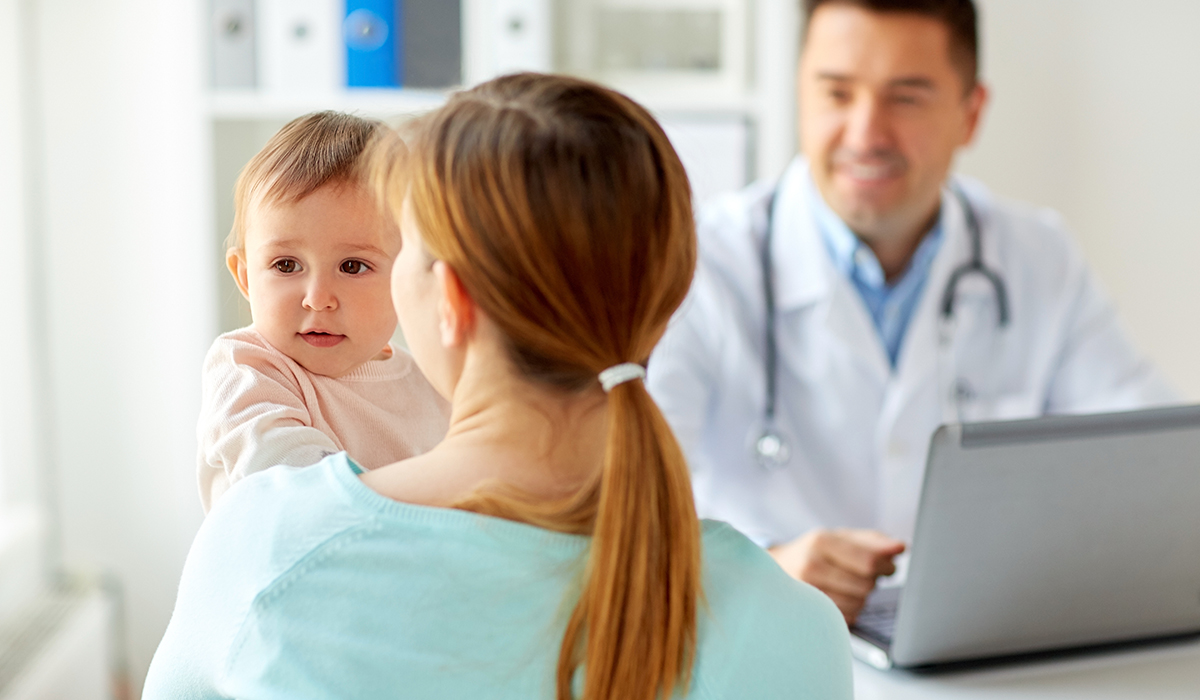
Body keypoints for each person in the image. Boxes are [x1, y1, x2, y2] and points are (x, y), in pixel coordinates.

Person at [144, 74, 853, 699]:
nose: (321, 295)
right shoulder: (795, 628)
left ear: (448, 299)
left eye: (380, 261)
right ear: (660, 311)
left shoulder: (266, 554)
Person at [647, 0, 1177, 623]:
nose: (866, 134)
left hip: (982, 646)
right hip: (773, 651)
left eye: (906, 98)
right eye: (837, 94)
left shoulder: (1037, 257)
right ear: (801, 96)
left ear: (971, 113)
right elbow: (627, 511)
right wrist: (763, 569)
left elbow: (1156, 466)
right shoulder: (700, 262)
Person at [197, 111, 449, 512]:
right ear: (245, 277)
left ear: (406, 276)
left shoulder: (433, 383)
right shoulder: (248, 369)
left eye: (352, 266)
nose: (317, 298)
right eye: (286, 265)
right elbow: (301, 491)